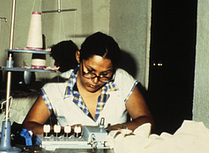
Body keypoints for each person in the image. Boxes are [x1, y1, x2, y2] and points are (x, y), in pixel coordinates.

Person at [23, 32, 154, 135]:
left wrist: (120, 128)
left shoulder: (122, 80)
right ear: (79, 57)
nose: (95, 80)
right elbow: (29, 125)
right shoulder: (56, 87)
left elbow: (146, 121)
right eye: (90, 71)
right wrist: (64, 131)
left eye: (105, 74)